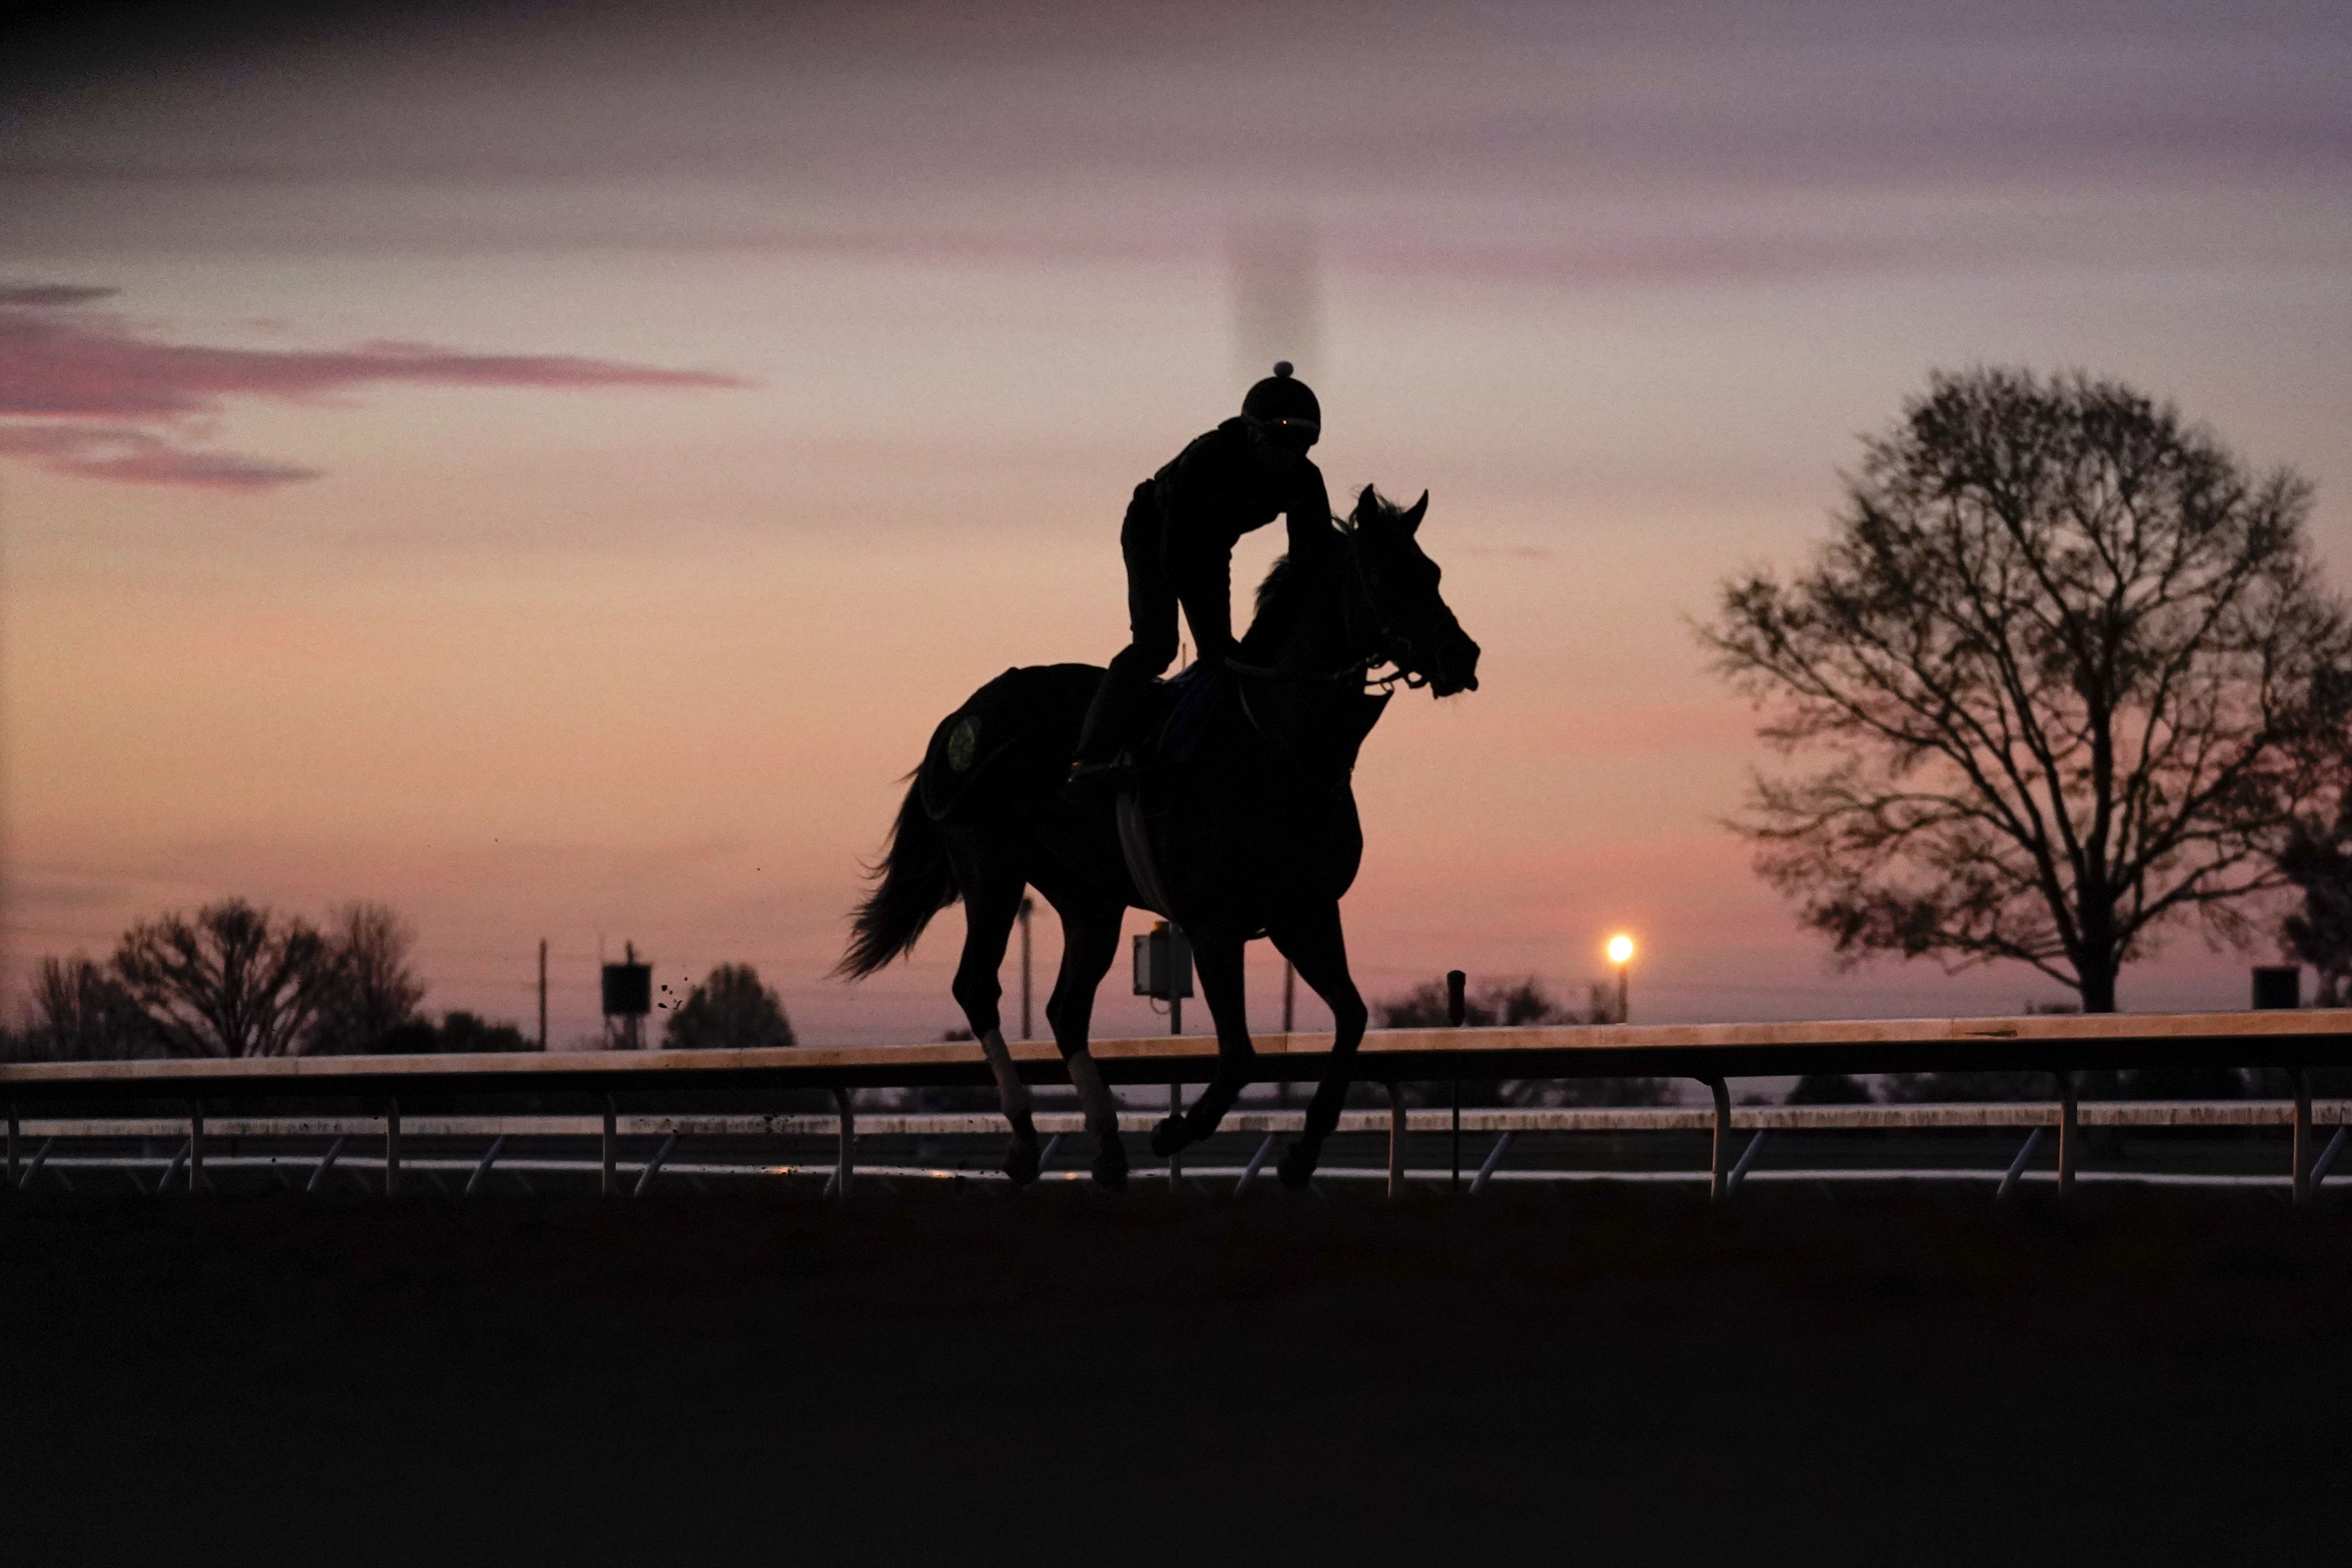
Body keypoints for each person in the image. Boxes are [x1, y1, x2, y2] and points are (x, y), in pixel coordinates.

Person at [1068, 362, 1334, 785]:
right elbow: (1177, 557)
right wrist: (1216, 640)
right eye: (1278, 444)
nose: (1287, 458)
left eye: (1299, 447)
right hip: (1154, 531)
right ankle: (1092, 756)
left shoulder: (1305, 478)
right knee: (1157, 645)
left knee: (1228, 660)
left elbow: (1312, 558)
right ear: (1252, 434)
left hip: (1212, 547)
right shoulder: (1209, 458)